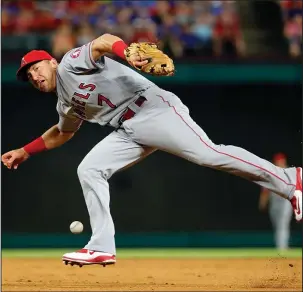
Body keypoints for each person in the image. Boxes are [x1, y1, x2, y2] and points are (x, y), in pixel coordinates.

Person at [2, 33, 302, 267]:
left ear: (51, 62)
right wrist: (25, 151)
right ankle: (102, 247)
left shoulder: (69, 62)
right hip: (128, 130)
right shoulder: (65, 104)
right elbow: (61, 133)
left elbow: (104, 42)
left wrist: (125, 52)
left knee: (209, 154)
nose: (34, 76)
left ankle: (290, 180)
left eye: (36, 68)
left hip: (153, 108)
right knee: (89, 169)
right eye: (29, 76)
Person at [259, 153, 294, 251]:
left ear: (284, 161)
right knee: (277, 225)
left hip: (286, 202)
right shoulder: (271, 172)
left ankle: (282, 247)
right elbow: (265, 190)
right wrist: (263, 202)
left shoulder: (289, 172)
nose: (279, 162)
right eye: (278, 161)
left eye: (281, 160)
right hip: (274, 202)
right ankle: (281, 245)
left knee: (283, 224)